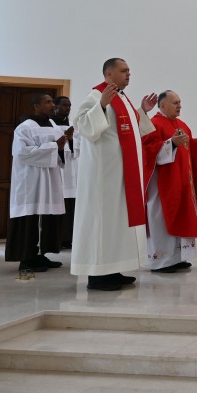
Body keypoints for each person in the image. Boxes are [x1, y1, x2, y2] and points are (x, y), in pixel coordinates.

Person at [71, 58, 158, 291]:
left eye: (129, 70)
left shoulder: (122, 98)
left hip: (121, 175)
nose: (129, 74)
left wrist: (142, 111)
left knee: (118, 224)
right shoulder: (95, 96)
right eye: (124, 70)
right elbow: (82, 125)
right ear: (109, 74)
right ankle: (98, 275)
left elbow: (129, 129)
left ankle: (114, 269)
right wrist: (101, 105)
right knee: (104, 222)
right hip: (103, 177)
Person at [142, 90, 197, 273]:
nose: (179, 106)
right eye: (175, 103)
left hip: (182, 182)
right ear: (162, 105)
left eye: (180, 102)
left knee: (181, 216)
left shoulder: (182, 125)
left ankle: (177, 258)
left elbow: (189, 146)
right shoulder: (153, 124)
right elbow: (148, 150)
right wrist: (171, 144)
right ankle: (161, 261)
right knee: (161, 219)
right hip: (162, 184)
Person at [6, 93, 68, 272]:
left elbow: (62, 151)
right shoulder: (25, 127)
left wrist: (64, 144)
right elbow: (22, 153)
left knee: (47, 217)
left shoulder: (53, 126)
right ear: (36, 106)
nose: (52, 105)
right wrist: (54, 146)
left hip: (50, 179)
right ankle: (26, 258)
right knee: (30, 217)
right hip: (31, 180)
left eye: (52, 102)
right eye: (47, 102)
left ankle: (40, 255)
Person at [50, 95, 78, 249]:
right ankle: (55, 240)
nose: (67, 108)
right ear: (55, 106)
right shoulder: (50, 125)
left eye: (69, 106)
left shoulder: (73, 125)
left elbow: (78, 149)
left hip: (70, 172)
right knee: (56, 205)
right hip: (56, 170)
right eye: (64, 105)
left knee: (70, 206)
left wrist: (71, 139)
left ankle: (68, 239)